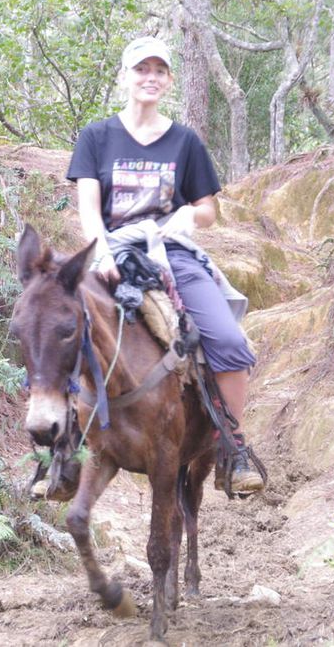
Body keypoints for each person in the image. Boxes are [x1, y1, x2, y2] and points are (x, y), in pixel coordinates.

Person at [65, 35, 265, 494]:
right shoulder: (97, 136)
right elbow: (90, 210)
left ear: (169, 79)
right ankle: (60, 454)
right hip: (110, 251)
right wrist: (100, 252)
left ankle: (233, 449)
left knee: (230, 343)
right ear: (125, 76)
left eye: (159, 70)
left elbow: (208, 210)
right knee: (57, 333)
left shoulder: (184, 141)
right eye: (141, 69)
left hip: (170, 254)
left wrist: (186, 214)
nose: (150, 77)